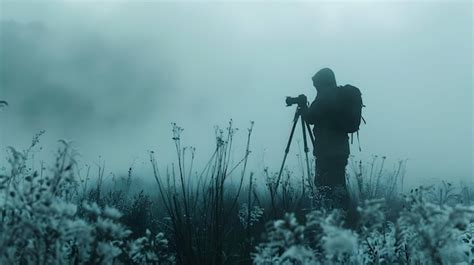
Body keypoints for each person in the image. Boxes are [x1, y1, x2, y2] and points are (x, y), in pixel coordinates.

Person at [303, 68, 350, 210]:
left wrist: (304, 107)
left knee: (324, 186)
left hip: (326, 152)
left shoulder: (325, 95)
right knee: (338, 184)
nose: (316, 87)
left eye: (316, 84)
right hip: (341, 150)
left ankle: (332, 216)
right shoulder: (337, 95)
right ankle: (344, 216)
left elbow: (311, 117)